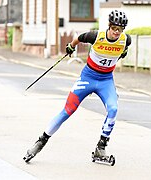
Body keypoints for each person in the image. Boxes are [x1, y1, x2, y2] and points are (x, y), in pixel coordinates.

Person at [23, 9, 131, 162]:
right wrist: (71, 46)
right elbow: (79, 38)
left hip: (106, 80)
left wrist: (124, 52)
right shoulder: (95, 36)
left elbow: (125, 48)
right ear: (109, 26)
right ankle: (41, 142)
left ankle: (101, 148)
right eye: (114, 28)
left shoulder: (126, 39)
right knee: (68, 110)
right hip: (87, 78)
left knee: (113, 109)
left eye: (120, 30)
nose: (116, 32)